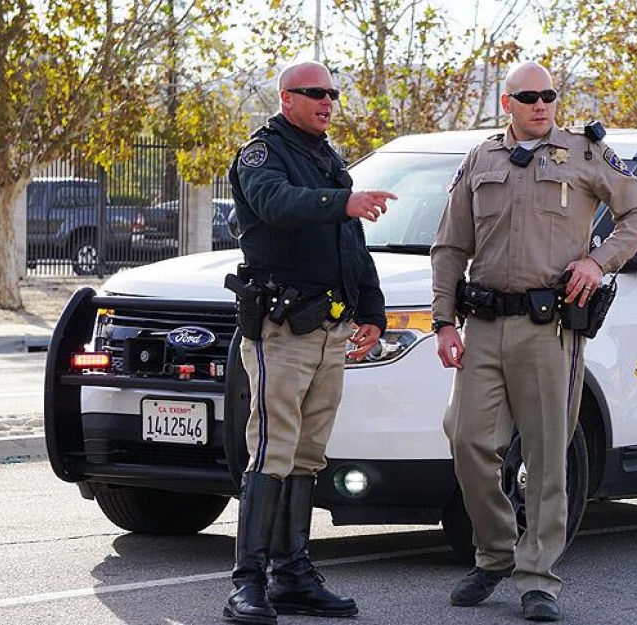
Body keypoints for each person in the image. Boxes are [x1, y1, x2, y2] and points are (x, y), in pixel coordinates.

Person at [431, 61, 637, 622]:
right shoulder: (480, 159)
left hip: (548, 328)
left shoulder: (584, 154)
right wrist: (442, 321)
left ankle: (538, 578)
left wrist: (599, 260)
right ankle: (494, 553)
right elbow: (450, 246)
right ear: (506, 103)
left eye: (549, 95)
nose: (541, 104)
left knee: (546, 457)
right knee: (466, 440)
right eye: (529, 96)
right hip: (482, 324)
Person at [223, 60, 397, 625]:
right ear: (286, 97)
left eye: (332, 93)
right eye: (315, 93)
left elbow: (352, 242)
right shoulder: (262, 153)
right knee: (272, 448)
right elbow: (275, 204)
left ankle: (293, 574)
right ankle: (247, 583)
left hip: (330, 327)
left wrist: (373, 310)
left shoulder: (328, 155)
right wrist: (339, 201)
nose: (327, 101)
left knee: (308, 454)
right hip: (282, 328)